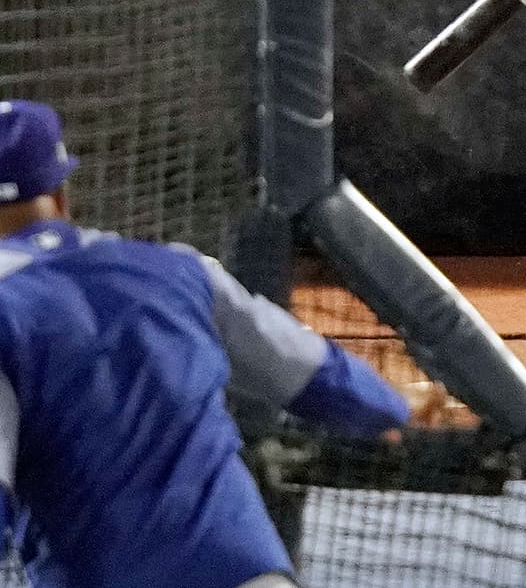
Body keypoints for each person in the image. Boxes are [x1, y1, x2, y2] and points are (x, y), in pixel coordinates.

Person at [0, 98, 446, 587]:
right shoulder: (183, 270)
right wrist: (395, 404)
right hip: (244, 574)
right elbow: (312, 373)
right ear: (62, 193)